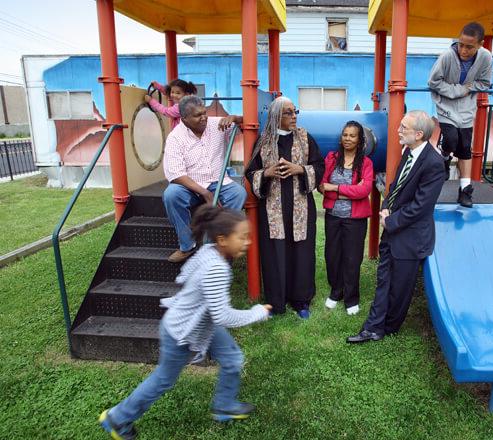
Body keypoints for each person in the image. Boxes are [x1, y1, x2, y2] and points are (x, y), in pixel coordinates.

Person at [99, 206, 272, 439]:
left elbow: (190, 277)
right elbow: (223, 315)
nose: (247, 242)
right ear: (222, 239)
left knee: (232, 358)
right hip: (181, 331)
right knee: (163, 380)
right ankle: (118, 418)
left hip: (202, 322)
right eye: (242, 237)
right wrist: (257, 312)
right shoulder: (216, 268)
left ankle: (224, 405)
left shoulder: (211, 251)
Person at [347, 110, 445, 343]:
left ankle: (389, 326)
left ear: (419, 134)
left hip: (411, 237)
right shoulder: (408, 152)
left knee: (399, 287)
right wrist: (385, 208)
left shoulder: (434, 163)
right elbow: (395, 187)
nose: (398, 131)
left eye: (404, 128)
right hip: (393, 228)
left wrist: (391, 221)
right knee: (384, 279)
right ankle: (373, 327)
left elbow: (422, 205)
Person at [245, 96, 325, 319]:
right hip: (273, 209)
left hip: (300, 207)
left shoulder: (304, 138)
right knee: (275, 253)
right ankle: (276, 302)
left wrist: (299, 169)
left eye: (294, 111)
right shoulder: (263, 141)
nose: (294, 116)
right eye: (288, 113)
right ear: (276, 116)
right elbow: (251, 172)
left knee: (302, 252)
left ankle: (301, 301)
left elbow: (319, 165)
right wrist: (267, 173)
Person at [163, 96, 247, 263]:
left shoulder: (217, 124)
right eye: (197, 115)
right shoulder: (175, 138)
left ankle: (218, 245)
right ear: (184, 118)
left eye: (204, 113)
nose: (204, 118)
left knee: (239, 193)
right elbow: (175, 174)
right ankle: (187, 246)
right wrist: (205, 193)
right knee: (171, 195)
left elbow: (246, 122)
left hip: (219, 181)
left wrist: (235, 118)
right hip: (191, 185)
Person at [428, 22, 493, 207]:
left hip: (466, 107)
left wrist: (468, 88)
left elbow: (485, 83)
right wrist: (457, 91)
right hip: (446, 105)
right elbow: (433, 82)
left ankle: (465, 190)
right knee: (450, 139)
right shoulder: (447, 56)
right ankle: (446, 157)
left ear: (480, 44)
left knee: (465, 147)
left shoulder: (486, 58)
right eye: (461, 44)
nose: (463, 50)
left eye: (469, 47)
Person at [319, 121, 374, 315]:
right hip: (333, 216)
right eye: (345, 135)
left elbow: (364, 190)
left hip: (355, 219)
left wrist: (336, 188)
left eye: (352, 136)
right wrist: (348, 192)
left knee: (352, 258)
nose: (347, 139)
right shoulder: (332, 158)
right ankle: (336, 292)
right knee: (332, 256)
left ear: (360, 140)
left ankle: (351, 298)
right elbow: (322, 186)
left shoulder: (366, 163)